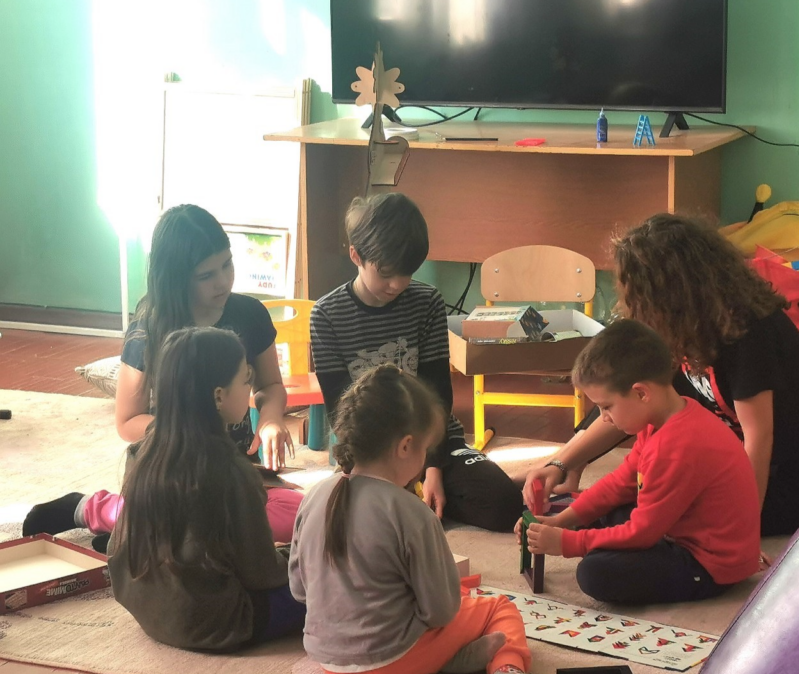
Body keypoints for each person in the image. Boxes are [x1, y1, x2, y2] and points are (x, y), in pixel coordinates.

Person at [524, 214, 799, 537]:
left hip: (789, 478)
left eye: (640, 294)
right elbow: (622, 398)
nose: (633, 304)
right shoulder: (679, 328)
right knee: (629, 505)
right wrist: (562, 463)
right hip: (725, 463)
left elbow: (759, 441)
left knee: (643, 517)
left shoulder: (749, 331)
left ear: (673, 291)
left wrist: (741, 530)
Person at [23, 204, 300, 545]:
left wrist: (270, 420)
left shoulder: (249, 313)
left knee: (301, 514)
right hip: (171, 471)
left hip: (234, 469)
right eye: (206, 275)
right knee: (196, 518)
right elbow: (128, 421)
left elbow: (270, 385)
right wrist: (189, 434)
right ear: (177, 278)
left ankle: (136, 536)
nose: (223, 281)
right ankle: (92, 510)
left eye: (227, 264)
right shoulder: (150, 327)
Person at [289, 364, 531, 674]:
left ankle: (448, 662)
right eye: (426, 448)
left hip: (329, 663)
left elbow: (299, 590)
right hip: (397, 659)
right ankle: (506, 667)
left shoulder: (313, 497)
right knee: (498, 607)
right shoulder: (412, 512)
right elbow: (440, 612)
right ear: (405, 446)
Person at [310, 193, 522, 532]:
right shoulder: (326, 315)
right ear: (356, 256)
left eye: (408, 272)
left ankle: (428, 494)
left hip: (432, 442)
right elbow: (340, 412)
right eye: (386, 273)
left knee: (506, 505)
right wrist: (382, 473)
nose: (398, 284)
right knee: (343, 521)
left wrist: (432, 465)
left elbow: (438, 393)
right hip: (369, 453)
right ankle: (418, 499)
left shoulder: (427, 301)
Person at [520, 320, 760, 604]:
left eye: (606, 407)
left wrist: (567, 543)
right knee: (604, 510)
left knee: (595, 573)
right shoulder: (663, 420)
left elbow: (643, 533)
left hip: (710, 566)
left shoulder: (674, 447)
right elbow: (619, 484)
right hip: (679, 529)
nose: (604, 418)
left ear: (641, 393)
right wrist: (562, 521)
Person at [109, 327, 305, 652]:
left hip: (146, 607)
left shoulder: (142, 452)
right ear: (218, 396)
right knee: (332, 581)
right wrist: (295, 557)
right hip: (215, 622)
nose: (249, 388)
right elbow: (262, 575)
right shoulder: (232, 471)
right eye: (245, 380)